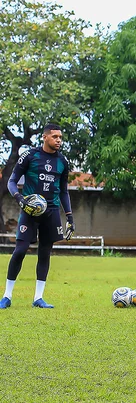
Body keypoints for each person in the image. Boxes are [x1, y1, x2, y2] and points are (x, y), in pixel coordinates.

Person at [0, 124, 75, 309]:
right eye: (55, 136)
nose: (59, 140)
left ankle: (38, 298)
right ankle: (7, 296)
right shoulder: (30, 156)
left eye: (61, 137)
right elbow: (11, 181)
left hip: (51, 212)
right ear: (45, 137)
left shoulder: (63, 162)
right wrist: (20, 199)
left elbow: (64, 192)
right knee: (20, 250)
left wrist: (69, 217)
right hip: (29, 211)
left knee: (45, 253)